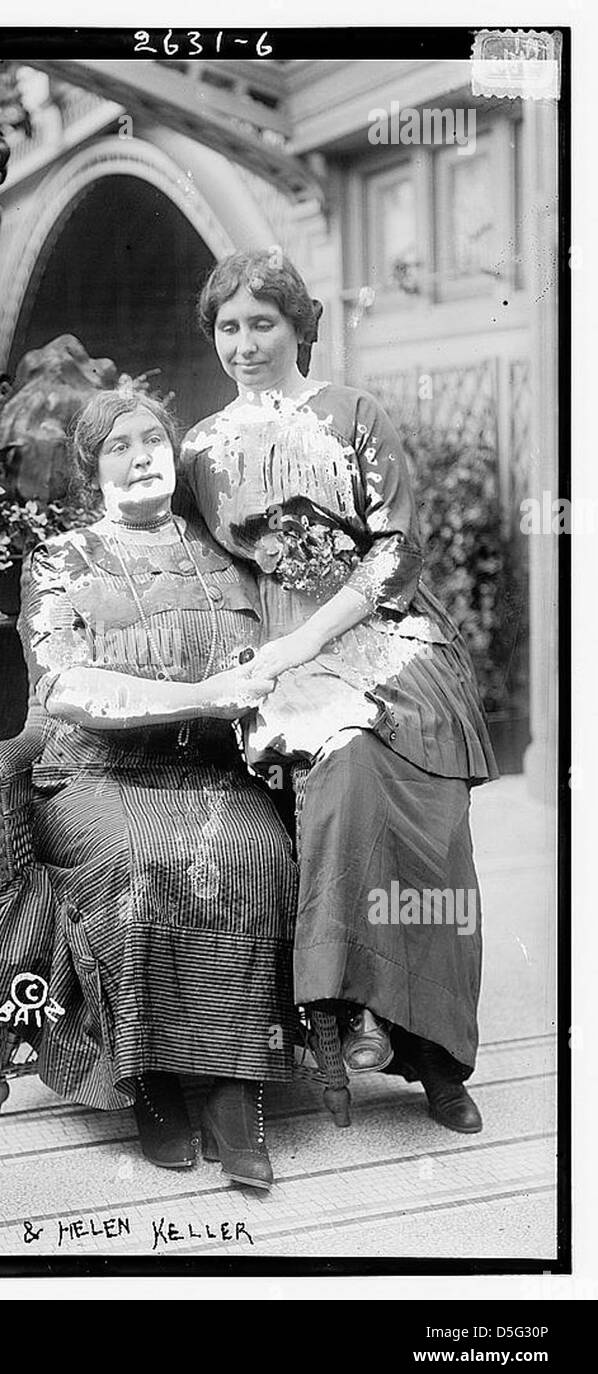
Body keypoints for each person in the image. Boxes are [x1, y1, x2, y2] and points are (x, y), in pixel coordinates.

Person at [179, 249, 498, 1133]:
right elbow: (209, 574)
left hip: (388, 636)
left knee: (434, 823)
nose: (244, 344)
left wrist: (315, 636)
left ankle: (434, 1052)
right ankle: (348, 1007)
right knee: (347, 771)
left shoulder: (355, 413)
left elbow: (397, 548)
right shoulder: (200, 449)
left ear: (299, 326)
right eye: (228, 328)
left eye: (262, 324)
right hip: (281, 654)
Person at [0, 387, 300, 1190]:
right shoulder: (60, 561)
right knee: (138, 863)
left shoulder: (227, 555)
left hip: (209, 773)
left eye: (153, 440)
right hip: (94, 774)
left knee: (257, 853)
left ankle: (231, 1089)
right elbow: (68, 690)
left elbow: (278, 663)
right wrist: (202, 697)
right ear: (91, 468)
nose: (143, 456)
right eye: (120, 446)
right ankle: (148, 1082)